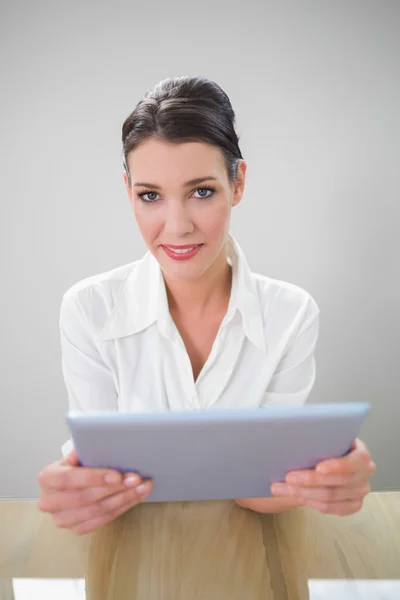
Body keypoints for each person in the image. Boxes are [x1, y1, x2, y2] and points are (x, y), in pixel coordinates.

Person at [37, 75, 376, 536]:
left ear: (237, 185)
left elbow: (255, 488)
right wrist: (79, 490)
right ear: (128, 190)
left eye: (201, 191)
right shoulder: (89, 310)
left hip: (251, 550)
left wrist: (319, 475)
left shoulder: (290, 315)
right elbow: (98, 475)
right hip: (134, 549)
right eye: (150, 195)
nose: (176, 227)